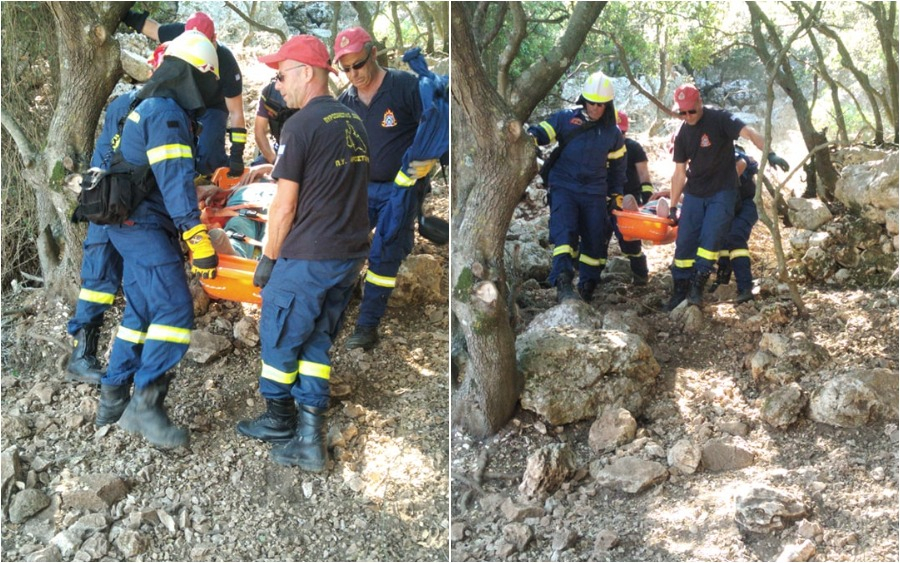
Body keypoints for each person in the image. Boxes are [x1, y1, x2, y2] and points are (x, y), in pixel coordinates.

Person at [235, 35, 370, 472]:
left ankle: (279, 420)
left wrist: (268, 259)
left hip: (308, 255)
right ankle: (310, 440)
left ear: (307, 73)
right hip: (347, 256)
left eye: (282, 74)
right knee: (315, 340)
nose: (278, 85)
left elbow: (285, 205)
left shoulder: (299, 126)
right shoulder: (353, 121)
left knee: (277, 336)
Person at [95, 30, 221, 449]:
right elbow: (174, 182)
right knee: (174, 313)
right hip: (144, 229)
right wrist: (199, 240)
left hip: (129, 225)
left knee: (143, 312)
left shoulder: (149, 104)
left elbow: (160, 179)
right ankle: (145, 407)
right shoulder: (166, 112)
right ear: (195, 76)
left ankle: (113, 396)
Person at [65, 45, 171, 385]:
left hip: (108, 199)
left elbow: (104, 155)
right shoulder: (161, 110)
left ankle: (99, 358)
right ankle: (84, 355)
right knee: (102, 279)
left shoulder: (124, 104)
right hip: (121, 204)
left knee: (107, 277)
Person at [334, 26, 437, 351]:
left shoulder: (405, 87)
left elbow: (435, 129)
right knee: (345, 245)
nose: (354, 74)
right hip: (361, 189)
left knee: (384, 253)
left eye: (359, 65)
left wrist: (424, 166)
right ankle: (340, 301)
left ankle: (367, 326)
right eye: (346, 69)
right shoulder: (345, 100)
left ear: (373, 53)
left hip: (400, 189)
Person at [666, 83, 788, 310]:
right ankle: (679, 290)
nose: (687, 116)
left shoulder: (719, 119)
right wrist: (673, 207)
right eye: (682, 112)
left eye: (691, 110)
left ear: (699, 103)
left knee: (711, 238)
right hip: (694, 192)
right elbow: (679, 172)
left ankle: (697, 286)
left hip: (722, 191)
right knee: (684, 242)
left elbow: (749, 133)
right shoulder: (682, 133)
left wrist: (770, 153)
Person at [527, 71, 627, 302]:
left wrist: (616, 196)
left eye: (601, 104)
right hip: (564, 186)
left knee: (594, 237)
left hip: (595, 193)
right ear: (584, 99)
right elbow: (542, 132)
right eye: (592, 103)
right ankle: (562, 279)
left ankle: (589, 282)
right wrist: (531, 138)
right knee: (565, 231)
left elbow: (618, 169)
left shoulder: (613, 134)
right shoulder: (565, 119)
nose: (596, 108)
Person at [123, 10, 246, 177]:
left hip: (212, 107)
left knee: (207, 155)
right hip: (182, 102)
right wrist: (125, 14)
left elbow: (236, 111)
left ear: (214, 39)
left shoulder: (226, 63)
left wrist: (237, 155)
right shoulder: (180, 34)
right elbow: (153, 29)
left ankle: (210, 175)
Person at [599, 110, 651, 286]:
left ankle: (640, 276)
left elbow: (643, 174)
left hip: (627, 202)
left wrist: (647, 198)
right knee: (597, 240)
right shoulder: (598, 147)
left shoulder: (634, 148)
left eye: (621, 132)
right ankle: (590, 281)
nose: (618, 136)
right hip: (602, 201)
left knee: (630, 242)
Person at [709, 146, 760, 303]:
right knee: (723, 240)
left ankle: (745, 287)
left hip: (747, 205)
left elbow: (741, 163)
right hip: (728, 205)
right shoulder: (702, 161)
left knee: (735, 237)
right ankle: (722, 279)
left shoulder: (725, 153)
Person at [251, 79, 297, 165]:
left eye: (283, 77)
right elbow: (259, 131)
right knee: (254, 172)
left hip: (304, 157)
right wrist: (274, 161)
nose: (277, 86)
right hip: (279, 149)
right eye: (279, 76)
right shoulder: (269, 93)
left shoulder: (313, 99)